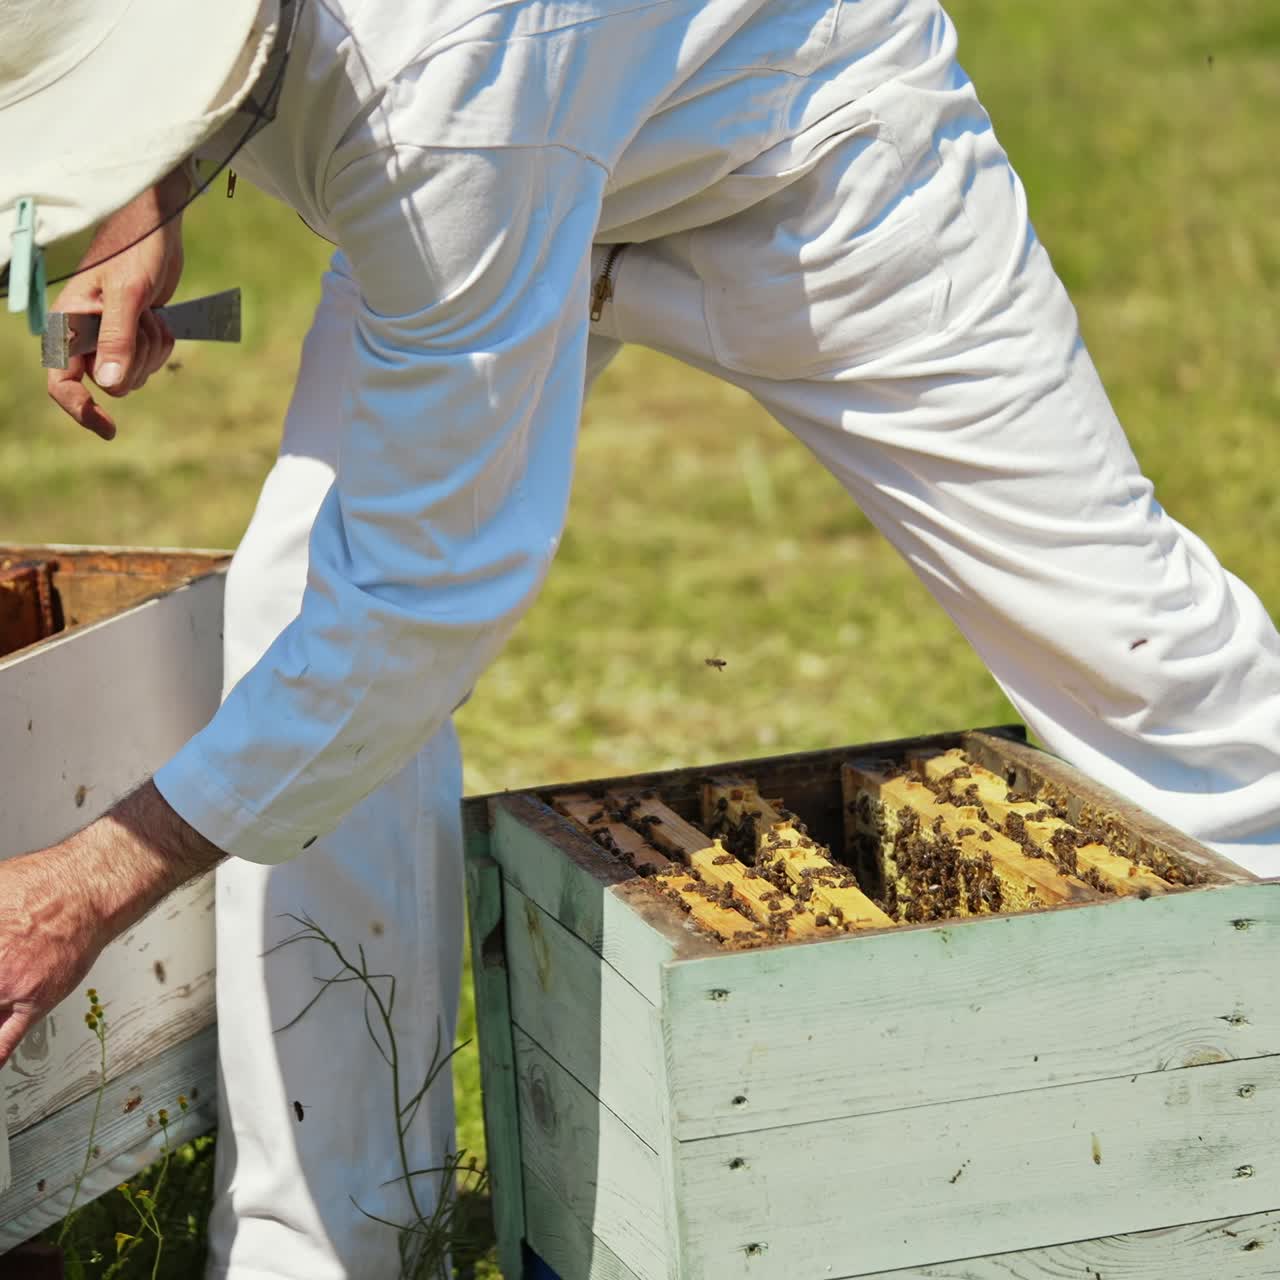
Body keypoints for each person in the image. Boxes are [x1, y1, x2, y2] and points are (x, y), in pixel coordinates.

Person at [2, 0, 1279, 1274]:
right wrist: (144, 190)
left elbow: (415, 595)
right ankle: (324, 1246)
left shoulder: (434, 95)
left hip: (798, 145)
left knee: (1122, 640)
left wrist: (81, 888)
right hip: (501, 148)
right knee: (289, 605)